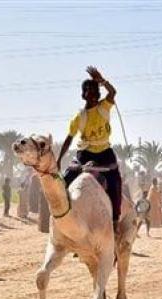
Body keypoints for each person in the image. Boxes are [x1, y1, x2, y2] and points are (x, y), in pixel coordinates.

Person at [57, 66, 122, 232]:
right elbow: (69, 139)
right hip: (84, 154)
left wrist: (102, 80)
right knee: (66, 180)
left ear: (99, 93)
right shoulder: (79, 117)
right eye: (88, 90)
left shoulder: (104, 107)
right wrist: (58, 160)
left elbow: (113, 92)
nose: (92, 93)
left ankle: (115, 219)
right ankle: (63, 218)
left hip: (105, 153)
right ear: (83, 94)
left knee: (115, 182)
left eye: (94, 90)